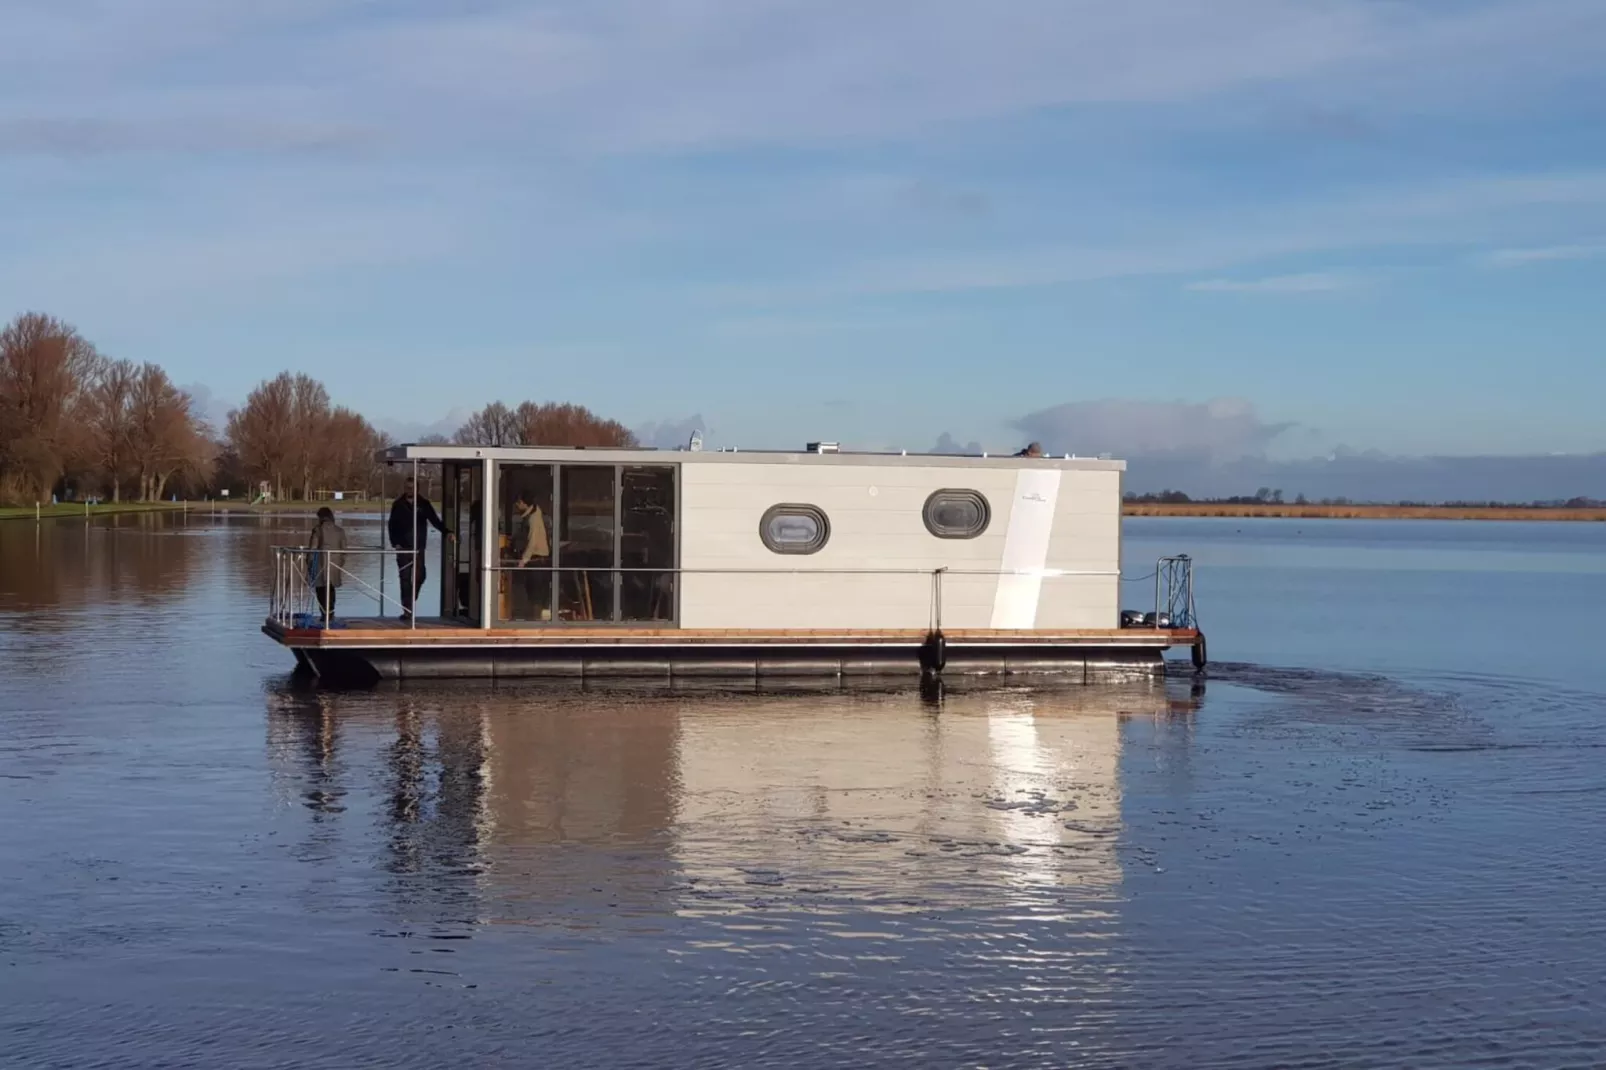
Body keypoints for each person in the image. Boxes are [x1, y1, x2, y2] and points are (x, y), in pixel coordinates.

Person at [388, 476, 449, 620]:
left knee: (421, 575)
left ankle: (411, 597)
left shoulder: (424, 504)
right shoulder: (398, 504)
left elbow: (435, 520)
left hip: (419, 548)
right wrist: (394, 542)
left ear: (417, 488)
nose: (409, 490)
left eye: (412, 488)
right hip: (403, 548)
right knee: (404, 578)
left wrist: (447, 532)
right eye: (407, 488)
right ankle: (407, 610)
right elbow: (391, 526)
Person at [511, 492, 551, 620]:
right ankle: (536, 618)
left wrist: (524, 559)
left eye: (518, 503)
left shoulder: (533, 518)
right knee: (536, 592)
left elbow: (532, 541)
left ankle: (535, 620)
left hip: (537, 560)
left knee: (535, 592)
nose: (516, 506)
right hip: (539, 560)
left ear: (524, 503)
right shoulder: (534, 514)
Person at [307, 506, 347, 621]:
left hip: (320, 564)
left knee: (320, 589)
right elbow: (344, 550)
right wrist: (340, 564)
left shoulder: (317, 530)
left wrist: (309, 564)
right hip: (335, 565)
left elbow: (312, 549)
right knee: (331, 588)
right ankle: (331, 612)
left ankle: (325, 613)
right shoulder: (340, 531)